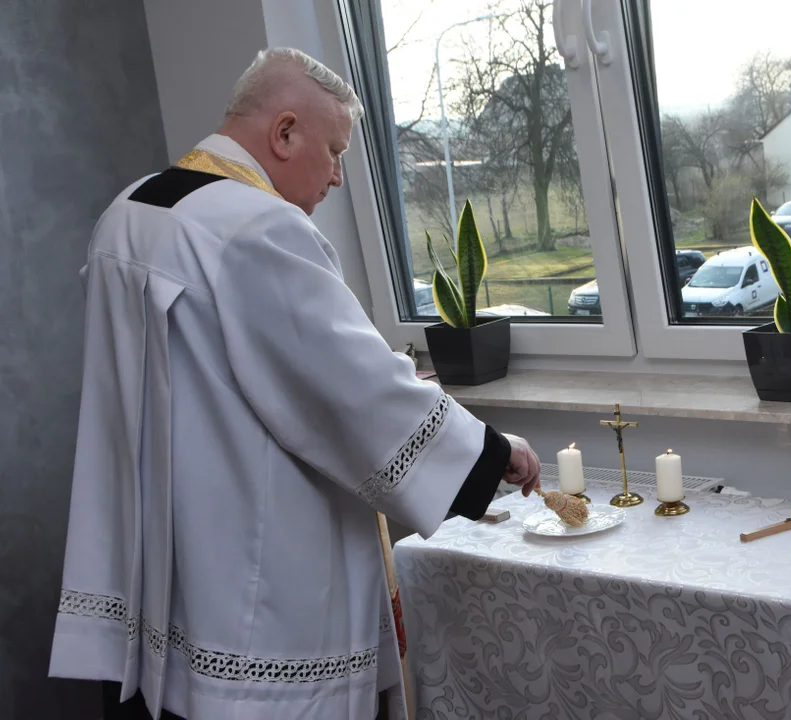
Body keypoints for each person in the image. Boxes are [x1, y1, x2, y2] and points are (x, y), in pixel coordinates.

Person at [48, 47, 541, 720]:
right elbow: (352, 391)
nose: (338, 177)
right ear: (284, 133)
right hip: (256, 594)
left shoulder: (131, 210)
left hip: (158, 567)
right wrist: (492, 452)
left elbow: (228, 368)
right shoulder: (257, 226)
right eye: (335, 151)